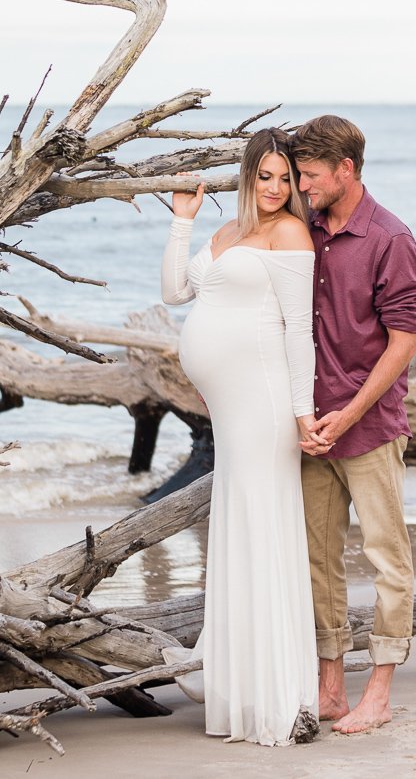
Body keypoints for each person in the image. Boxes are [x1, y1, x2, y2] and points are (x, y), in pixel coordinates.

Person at [160, 128, 321, 745]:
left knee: (261, 524)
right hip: (229, 407)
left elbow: (298, 332)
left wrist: (304, 412)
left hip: (264, 397)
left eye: (287, 179)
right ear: (247, 176)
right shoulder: (227, 233)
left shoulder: (290, 235)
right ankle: (238, 682)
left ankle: (277, 694)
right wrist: (182, 221)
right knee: (237, 520)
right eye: (267, 178)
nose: (279, 190)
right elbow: (176, 291)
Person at [291, 114, 416, 736]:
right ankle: (330, 686)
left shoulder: (390, 237)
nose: (302, 184)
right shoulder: (304, 229)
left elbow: (403, 342)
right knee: (319, 560)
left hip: (368, 428)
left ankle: (379, 689)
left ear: (346, 169)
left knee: (386, 558)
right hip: (311, 428)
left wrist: (347, 414)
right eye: (298, 174)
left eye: (311, 174)